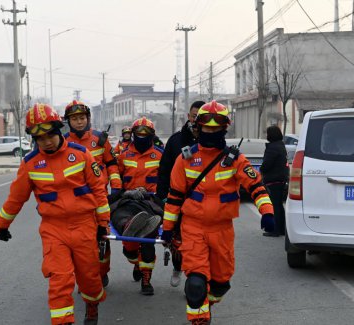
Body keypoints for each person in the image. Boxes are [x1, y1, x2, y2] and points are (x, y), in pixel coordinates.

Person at [160, 101, 274, 324]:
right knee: (195, 284)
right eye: (207, 128)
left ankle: (207, 304)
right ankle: (200, 317)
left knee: (221, 283)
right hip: (193, 228)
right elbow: (174, 198)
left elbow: (256, 187)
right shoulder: (185, 159)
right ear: (198, 127)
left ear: (224, 128)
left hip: (222, 230)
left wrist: (267, 212)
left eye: (216, 128)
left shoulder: (235, 160)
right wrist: (167, 229)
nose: (210, 132)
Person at [0, 103, 110, 325]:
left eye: (50, 135)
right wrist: (3, 224)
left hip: (84, 226)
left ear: (58, 130)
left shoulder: (82, 155)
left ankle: (92, 304)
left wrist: (103, 223)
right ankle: (63, 321)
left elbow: (98, 190)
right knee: (60, 280)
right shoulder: (29, 164)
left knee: (90, 279)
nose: (46, 141)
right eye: (40, 138)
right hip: (53, 229)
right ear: (34, 139)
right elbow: (16, 198)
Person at [63, 100, 121, 287]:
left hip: (99, 199)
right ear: (68, 121)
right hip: (74, 203)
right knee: (79, 245)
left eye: (82, 118)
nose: (79, 122)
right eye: (74, 119)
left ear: (88, 118)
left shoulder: (100, 140)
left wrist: (117, 186)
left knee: (102, 238)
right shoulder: (62, 143)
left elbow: (112, 164)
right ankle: (86, 278)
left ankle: (102, 273)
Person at [157, 100, 205, 287]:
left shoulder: (210, 142)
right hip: (177, 200)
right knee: (177, 240)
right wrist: (162, 196)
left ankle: (194, 281)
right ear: (189, 117)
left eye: (201, 117)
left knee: (197, 244)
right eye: (195, 116)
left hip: (201, 204)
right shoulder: (176, 141)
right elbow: (164, 170)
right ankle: (178, 266)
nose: (197, 121)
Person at [116, 117, 164, 295]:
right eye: (139, 134)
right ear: (134, 135)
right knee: (128, 239)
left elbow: (166, 182)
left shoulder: (160, 155)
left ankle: (146, 279)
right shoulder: (123, 155)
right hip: (128, 199)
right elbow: (115, 181)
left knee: (148, 238)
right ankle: (135, 261)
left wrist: (155, 194)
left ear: (152, 135)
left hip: (150, 201)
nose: (142, 137)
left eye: (146, 134)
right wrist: (125, 193)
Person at [260, 125, 289, 237]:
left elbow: (267, 164)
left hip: (274, 179)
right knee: (279, 205)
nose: (267, 136)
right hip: (280, 178)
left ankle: (276, 230)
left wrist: (262, 169)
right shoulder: (280, 146)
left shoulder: (272, 148)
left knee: (275, 205)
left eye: (268, 133)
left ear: (271, 135)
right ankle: (281, 229)